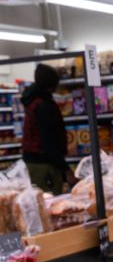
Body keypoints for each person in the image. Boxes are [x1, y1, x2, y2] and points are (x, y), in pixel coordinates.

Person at [21, 63, 75, 194]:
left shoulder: (33, 100)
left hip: (33, 163)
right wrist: (66, 170)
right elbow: (50, 143)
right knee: (49, 203)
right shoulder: (45, 107)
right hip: (44, 166)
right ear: (52, 86)